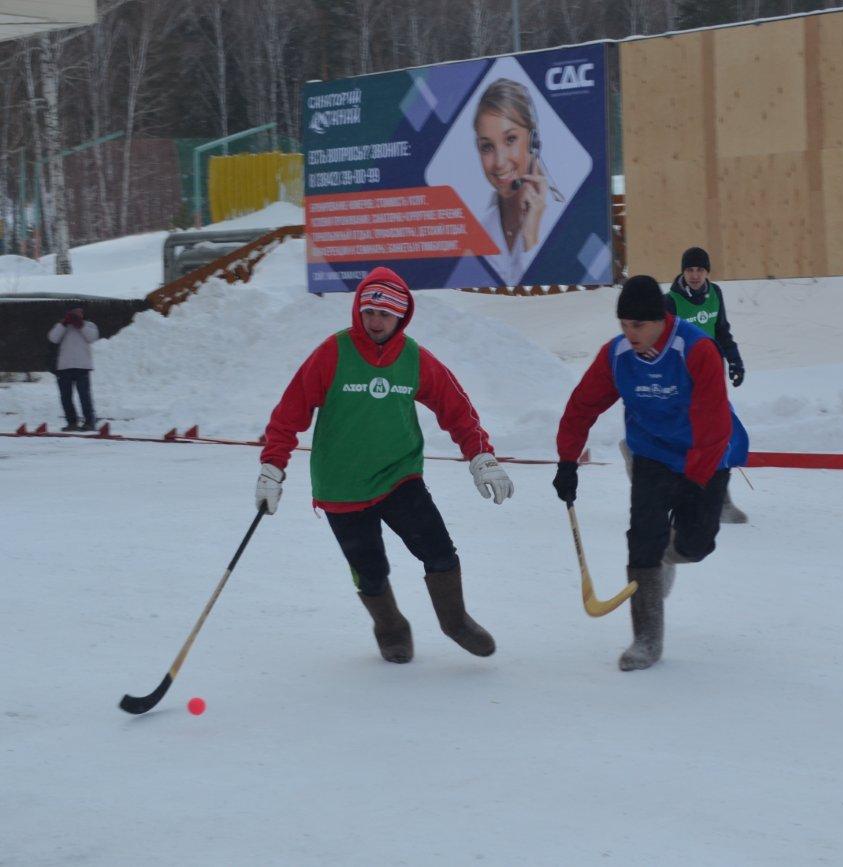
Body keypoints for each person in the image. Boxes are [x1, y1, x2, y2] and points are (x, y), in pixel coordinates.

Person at [255, 266, 514, 665]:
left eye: (384, 315)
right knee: (370, 571)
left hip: (399, 476)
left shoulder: (413, 359)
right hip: (341, 485)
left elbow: (455, 407)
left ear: (400, 317)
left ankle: (455, 621)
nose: (375, 322)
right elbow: (290, 412)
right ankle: (391, 627)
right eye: (368, 312)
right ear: (359, 312)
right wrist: (272, 467)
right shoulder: (333, 353)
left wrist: (481, 455)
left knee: (439, 550)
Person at [553, 275, 749, 671]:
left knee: (696, 544)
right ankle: (645, 639)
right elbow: (582, 406)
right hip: (651, 454)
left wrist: (696, 481)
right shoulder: (617, 354)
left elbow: (714, 423)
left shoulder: (696, 349)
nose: (630, 333)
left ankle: (666, 557)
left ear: (660, 319)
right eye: (623, 325)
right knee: (642, 537)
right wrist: (567, 461)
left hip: (704, 454)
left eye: (638, 325)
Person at [664, 246, 749, 523]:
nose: (695, 275)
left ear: (707, 272)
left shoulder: (716, 294)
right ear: (682, 272)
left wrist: (735, 360)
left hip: (712, 378)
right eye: (690, 270)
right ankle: (671, 494)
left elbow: (721, 330)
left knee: (721, 435)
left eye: (700, 270)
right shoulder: (672, 302)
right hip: (684, 381)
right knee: (685, 440)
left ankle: (721, 499)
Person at [472, 78, 564, 287]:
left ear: (533, 142)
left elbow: (548, 299)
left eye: (510, 139)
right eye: (487, 147)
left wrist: (530, 236)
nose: (499, 162)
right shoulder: (480, 228)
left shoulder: (563, 218)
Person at [47, 304, 99, 432]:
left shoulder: (89, 325)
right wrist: (64, 324)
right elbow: (53, 338)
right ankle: (72, 422)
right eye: (74, 313)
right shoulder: (62, 326)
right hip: (64, 367)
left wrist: (80, 325)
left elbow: (92, 337)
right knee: (66, 397)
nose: (77, 315)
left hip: (82, 367)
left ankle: (89, 422)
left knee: (84, 397)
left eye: (79, 312)